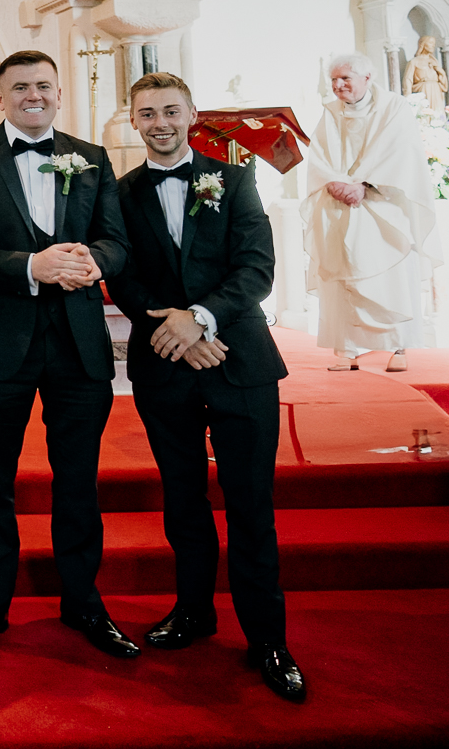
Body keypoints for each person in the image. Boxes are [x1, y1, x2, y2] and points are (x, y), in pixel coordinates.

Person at [107, 73, 306, 703]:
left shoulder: (236, 177)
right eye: (147, 113)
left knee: (250, 504)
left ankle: (268, 639)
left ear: (192, 114)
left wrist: (202, 318)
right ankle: (193, 611)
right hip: (165, 364)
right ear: (133, 120)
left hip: (239, 360)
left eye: (171, 110)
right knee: (183, 499)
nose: (160, 122)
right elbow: (123, 275)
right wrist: (178, 329)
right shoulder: (120, 193)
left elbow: (257, 267)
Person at [0, 50, 136, 659]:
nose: (33, 95)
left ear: (58, 92)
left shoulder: (93, 158)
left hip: (78, 343)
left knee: (78, 481)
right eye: (19, 87)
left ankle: (83, 603)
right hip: (0, 344)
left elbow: (117, 241)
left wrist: (92, 261)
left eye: (43, 86)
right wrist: (29, 266)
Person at [302, 52, 441, 371]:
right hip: (339, 204)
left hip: (383, 205)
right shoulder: (330, 112)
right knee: (343, 274)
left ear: (367, 78)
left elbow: (399, 152)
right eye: (334, 79)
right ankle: (347, 349)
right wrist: (333, 182)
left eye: (345, 78)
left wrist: (364, 185)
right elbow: (319, 153)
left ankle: (399, 348)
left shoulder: (394, 108)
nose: (338, 85)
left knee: (389, 275)